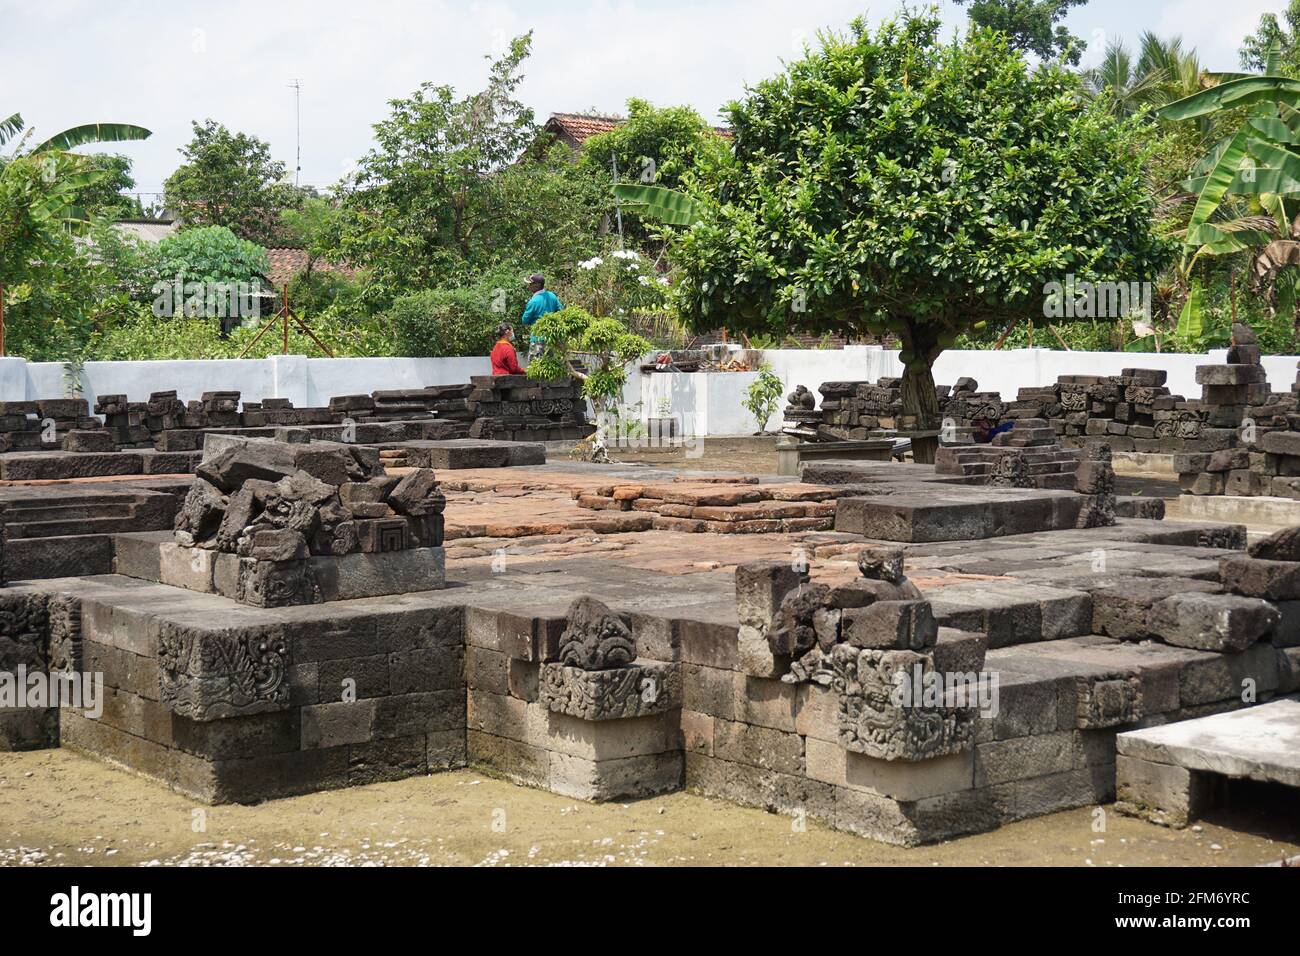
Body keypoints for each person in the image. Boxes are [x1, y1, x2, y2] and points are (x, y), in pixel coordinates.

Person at [521, 272, 562, 360]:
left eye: (530, 284)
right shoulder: (552, 296)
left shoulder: (533, 301)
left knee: (535, 367)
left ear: (537, 285)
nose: (528, 286)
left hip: (537, 339)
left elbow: (525, 320)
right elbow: (561, 312)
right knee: (551, 364)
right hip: (552, 339)